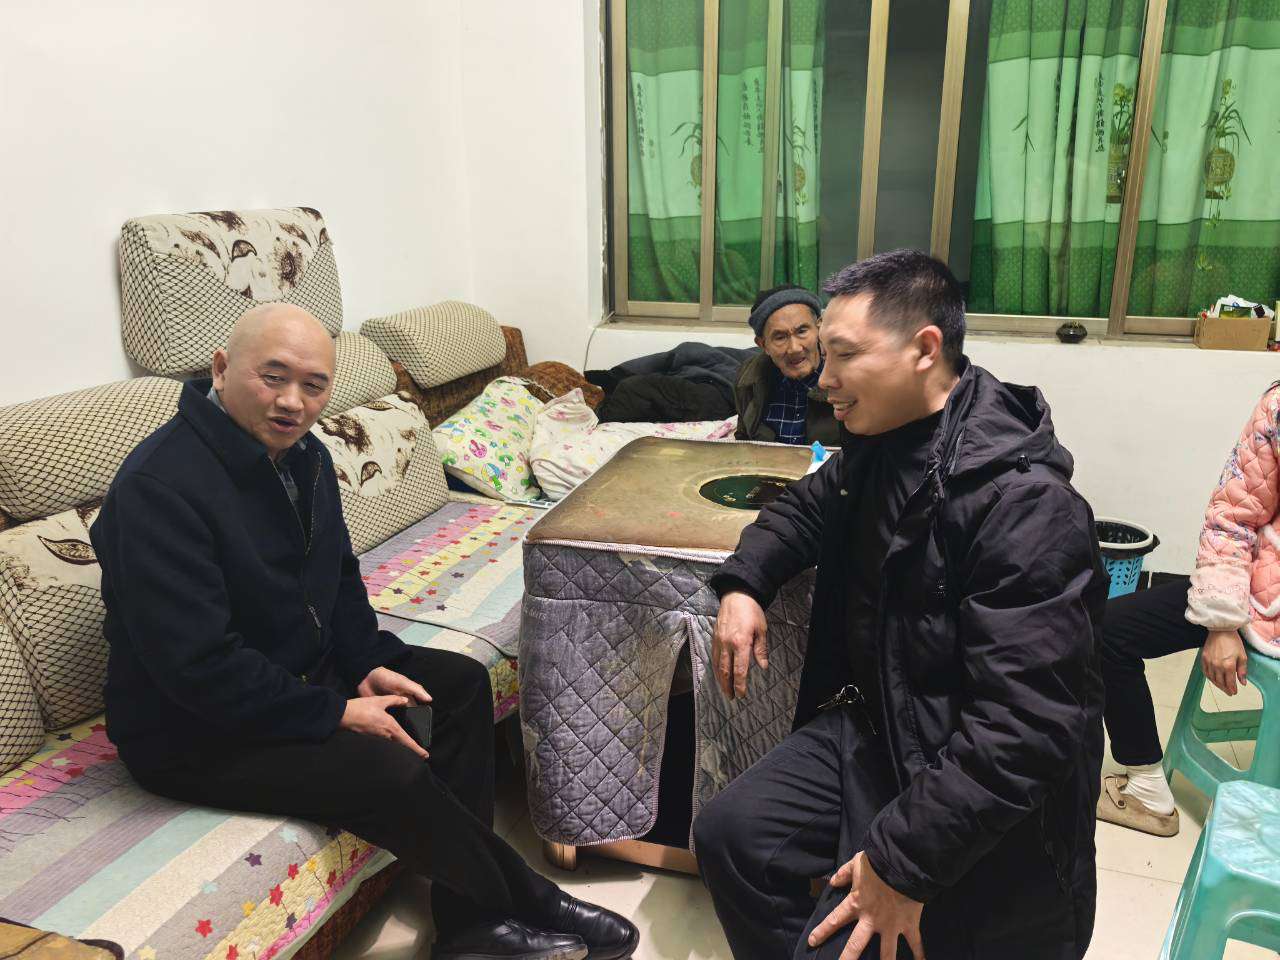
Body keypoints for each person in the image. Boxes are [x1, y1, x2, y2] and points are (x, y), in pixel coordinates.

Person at [90, 304, 638, 960]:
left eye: (314, 385)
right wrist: (337, 712)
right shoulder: (158, 488)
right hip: (192, 729)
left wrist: (362, 660)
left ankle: (470, 926)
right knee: (390, 773)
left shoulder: (305, 455)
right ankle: (530, 899)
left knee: (457, 685)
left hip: (293, 672)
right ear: (221, 369)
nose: (293, 402)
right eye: (273, 377)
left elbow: (338, 577)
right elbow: (197, 667)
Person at [694, 250, 1108, 960]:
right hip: (880, 724)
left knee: (842, 938)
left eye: (844, 356)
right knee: (731, 834)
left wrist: (900, 865)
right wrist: (743, 584)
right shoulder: (878, 443)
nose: (822, 379)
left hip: (966, 767)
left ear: (925, 349)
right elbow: (804, 510)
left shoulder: (1026, 505)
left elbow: (1024, 730)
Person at [1097, 385, 1280, 837]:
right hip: (1262, 597)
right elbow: (1233, 517)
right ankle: (1146, 787)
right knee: (1105, 630)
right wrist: (1222, 621)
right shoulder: (1277, 407)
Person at [734, 284, 840, 446]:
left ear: (820, 329)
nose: (794, 349)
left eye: (802, 331)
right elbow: (743, 441)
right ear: (763, 344)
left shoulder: (845, 379)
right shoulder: (748, 380)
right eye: (780, 337)